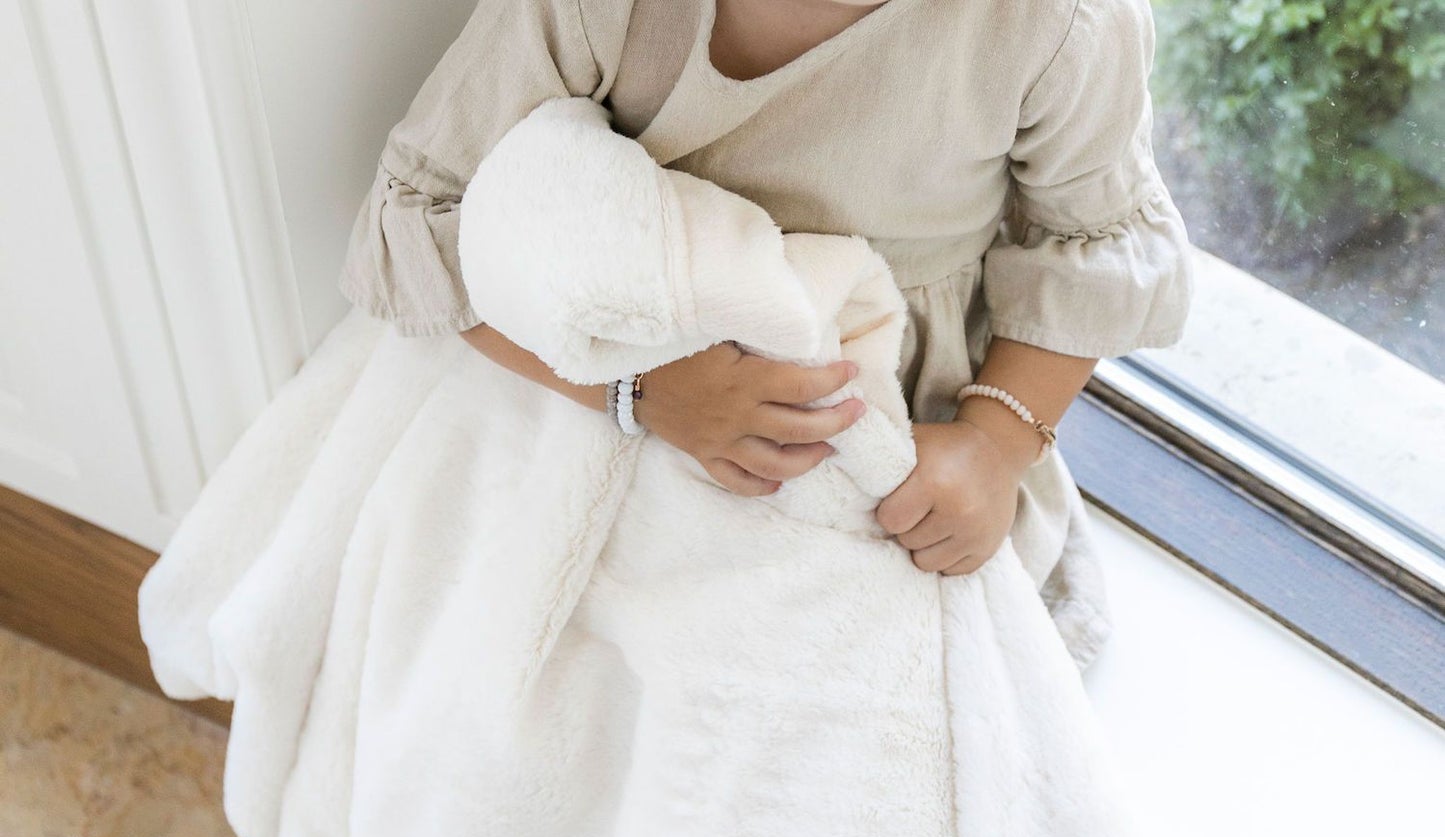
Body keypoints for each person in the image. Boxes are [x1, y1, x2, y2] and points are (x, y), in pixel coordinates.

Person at [339, 0, 1191, 602]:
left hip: (891, 399)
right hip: (625, 349)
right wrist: (641, 392)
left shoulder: (1057, 26)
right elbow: (422, 214)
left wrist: (995, 442)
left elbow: (1088, 241)